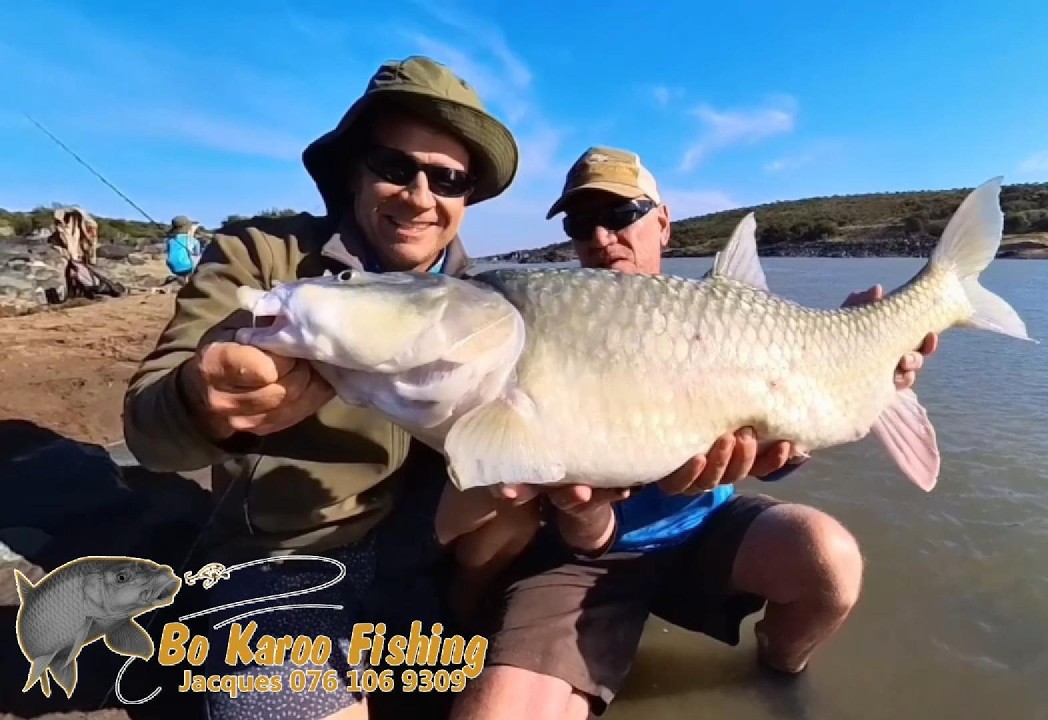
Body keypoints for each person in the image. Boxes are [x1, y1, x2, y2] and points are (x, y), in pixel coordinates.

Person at [120, 58, 803, 720]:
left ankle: (459, 637)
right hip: (288, 560)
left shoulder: (494, 297)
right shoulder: (261, 256)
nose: (420, 196)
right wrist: (196, 400)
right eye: (395, 168)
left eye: (447, 179)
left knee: (504, 505)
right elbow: (148, 430)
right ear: (353, 167)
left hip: (439, 558)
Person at [449, 146, 939, 720]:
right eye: (584, 224)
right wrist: (579, 511)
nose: (603, 237)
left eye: (621, 214)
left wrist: (872, 360)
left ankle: (779, 670)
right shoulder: (538, 324)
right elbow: (564, 519)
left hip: (700, 528)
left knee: (829, 561)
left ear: (662, 221)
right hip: (580, 559)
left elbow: (783, 445)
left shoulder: (725, 318)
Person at [164, 215, 204, 282]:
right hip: (187, 267)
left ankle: (180, 278)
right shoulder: (194, 241)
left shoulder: (170, 241)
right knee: (199, 257)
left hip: (172, 266)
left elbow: (169, 252)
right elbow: (197, 253)